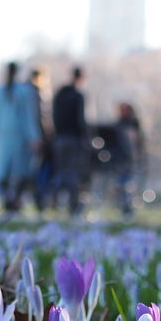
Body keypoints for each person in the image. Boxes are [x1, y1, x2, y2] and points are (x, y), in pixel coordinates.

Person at [0, 62, 42, 213]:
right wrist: (34, 136)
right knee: (21, 170)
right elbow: (28, 115)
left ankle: (8, 199)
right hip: (19, 135)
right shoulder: (24, 91)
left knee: (4, 169)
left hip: (4, 134)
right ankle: (14, 200)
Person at [50, 66, 88, 216]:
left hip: (59, 138)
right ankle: (73, 205)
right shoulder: (78, 96)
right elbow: (80, 119)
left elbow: (54, 115)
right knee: (72, 172)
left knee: (60, 170)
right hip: (73, 138)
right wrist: (85, 137)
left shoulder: (60, 94)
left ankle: (53, 200)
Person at [27, 68, 53, 213]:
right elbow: (40, 117)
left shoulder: (24, 92)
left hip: (30, 137)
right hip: (37, 138)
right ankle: (40, 197)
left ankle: (39, 197)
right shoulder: (35, 94)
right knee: (40, 169)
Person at [112, 102, 144, 217]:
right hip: (120, 159)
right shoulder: (118, 124)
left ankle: (129, 208)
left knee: (130, 185)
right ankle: (123, 208)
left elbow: (137, 141)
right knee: (120, 185)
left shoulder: (133, 123)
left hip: (131, 160)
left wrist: (137, 156)